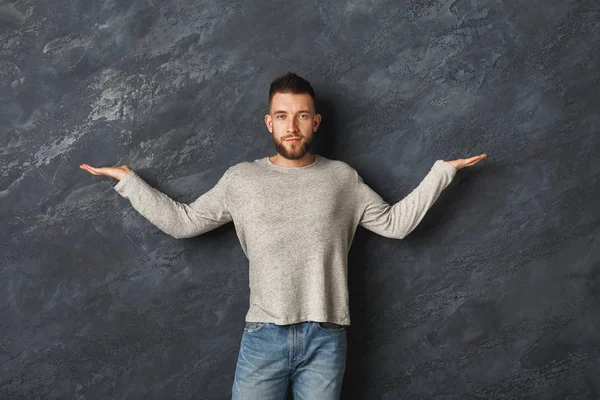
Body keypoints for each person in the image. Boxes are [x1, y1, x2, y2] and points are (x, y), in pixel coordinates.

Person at [80, 71, 487, 399]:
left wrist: (442, 173)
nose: (292, 126)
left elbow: (395, 224)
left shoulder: (341, 178)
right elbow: (184, 222)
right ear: (268, 121)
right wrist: (130, 181)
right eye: (282, 116)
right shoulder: (241, 180)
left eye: (302, 116)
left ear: (316, 122)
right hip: (263, 337)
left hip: (326, 337)